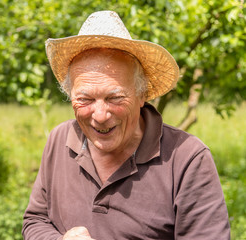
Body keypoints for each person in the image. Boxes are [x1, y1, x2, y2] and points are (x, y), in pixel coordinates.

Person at [22, 10, 230, 240]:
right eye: (85, 99)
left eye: (114, 98)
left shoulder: (187, 158)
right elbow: (35, 221)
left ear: (142, 95)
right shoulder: (59, 139)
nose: (100, 115)